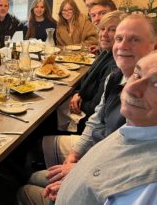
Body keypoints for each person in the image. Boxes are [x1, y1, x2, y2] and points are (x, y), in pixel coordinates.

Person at [17, 14, 157, 204]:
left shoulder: (142, 114)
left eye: (134, 39)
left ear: (154, 47)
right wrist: (75, 157)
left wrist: (77, 177)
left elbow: (121, 168)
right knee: (33, 173)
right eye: (119, 38)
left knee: (25, 190)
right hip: (93, 158)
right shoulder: (115, 77)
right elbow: (96, 125)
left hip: (92, 178)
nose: (122, 46)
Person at [54, 51, 157, 204]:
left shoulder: (147, 184)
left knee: (26, 190)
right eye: (137, 74)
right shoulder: (137, 127)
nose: (130, 88)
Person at [55, 11, 124, 134]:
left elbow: (95, 108)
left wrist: (79, 100)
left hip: (88, 124)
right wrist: (78, 93)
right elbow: (85, 80)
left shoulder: (114, 66)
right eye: (102, 29)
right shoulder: (106, 53)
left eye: (111, 30)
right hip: (83, 108)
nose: (104, 34)